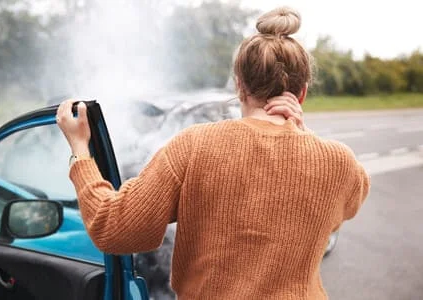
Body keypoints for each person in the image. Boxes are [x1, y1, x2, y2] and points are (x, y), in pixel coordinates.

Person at [56, 6, 370, 300]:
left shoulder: (193, 146)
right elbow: (347, 204)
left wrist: (80, 152)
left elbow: (114, 228)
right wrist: (301, 134)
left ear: (239, 86)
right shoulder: (339, 163)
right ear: (301, 93)